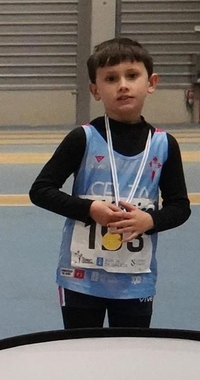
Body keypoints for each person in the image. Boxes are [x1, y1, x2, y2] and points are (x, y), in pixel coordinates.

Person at [30, 37, 191, 329]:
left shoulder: (164, 144)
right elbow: (41, 191)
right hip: (80, 279)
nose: (123, 85)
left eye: (132, 76)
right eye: (111, 79)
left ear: (151, 82)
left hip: (136, 280)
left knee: (129, 358)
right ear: (95, 90)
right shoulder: (83, 138)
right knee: (81, 355)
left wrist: (149, 221)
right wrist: (90, 209)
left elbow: (180, 207)